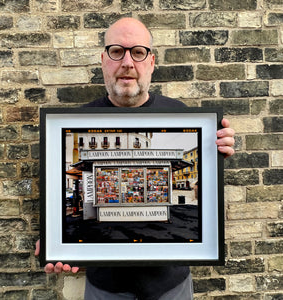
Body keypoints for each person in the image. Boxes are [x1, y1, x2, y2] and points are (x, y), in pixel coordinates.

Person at [35, 17, 235, 300]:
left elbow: (206, 187)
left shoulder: (180, 115)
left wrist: (219, 149)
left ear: (151, 62)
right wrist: (56, 235)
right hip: (105, 288)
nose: (127, 62)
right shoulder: (74, 123)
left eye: (138, 52)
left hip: (171, 286)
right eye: (117, 51)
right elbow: (59, 194)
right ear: (103, 60)